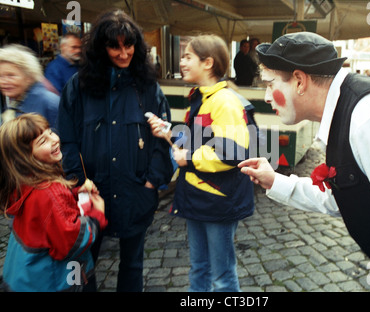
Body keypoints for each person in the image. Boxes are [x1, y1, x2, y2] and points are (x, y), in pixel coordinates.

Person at [238, 32, 370, 292]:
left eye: (270, 84)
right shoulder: (351, 112)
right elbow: (347, 197)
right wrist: (275, 181)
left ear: (299, 81)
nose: (267, 96)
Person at [57, 9, 174, 292]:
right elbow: (68, 140)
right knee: (85, 263)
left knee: (132, 264)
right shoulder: (78, 87)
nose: (124, 54)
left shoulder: (148, 88)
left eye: (129, 44)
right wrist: (77, 180)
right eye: (114, 46)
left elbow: (163, 138)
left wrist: (152, 181)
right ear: (100, 48)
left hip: (136, 191)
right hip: (92, 194)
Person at [149, 34, 254, 292]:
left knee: (221, 277)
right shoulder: (203, 97)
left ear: (207, 63)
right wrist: (168, 132)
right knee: (199, 267)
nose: (182, 62)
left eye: (187, 57)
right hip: (200, 196)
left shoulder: (224, 101)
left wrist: (190, 158)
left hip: (218, 199)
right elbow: (198, 139)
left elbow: (233, 152)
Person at [0, 113, 107, 292]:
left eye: (50, 132)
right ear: (25, 157)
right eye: (43, 141)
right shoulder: (49, 191)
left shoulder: (25, 182)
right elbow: (71, 242)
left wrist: (72, 194)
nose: (55, 139)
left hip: (26, 277)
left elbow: (46, 213)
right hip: (57, 281)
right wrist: (96, 215)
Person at [0, 44, 59, 127]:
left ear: (29, 77)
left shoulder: (48, 102)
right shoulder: (15, 102)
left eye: (11, 75)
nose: (4, 81)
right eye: (1, 76)